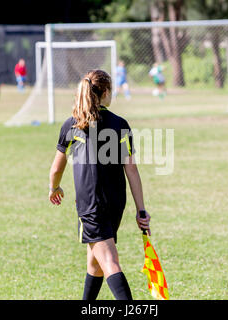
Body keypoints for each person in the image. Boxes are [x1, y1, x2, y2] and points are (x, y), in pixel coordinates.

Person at [48, 69, 151, 300]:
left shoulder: (73, 125)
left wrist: (54, 188)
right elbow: (131, 169)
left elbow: (56, 169)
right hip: (116, 202)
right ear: (105, 92)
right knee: (94, 262)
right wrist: (141, 210)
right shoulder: (120, 124)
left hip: (90, 205)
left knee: (109, 262)